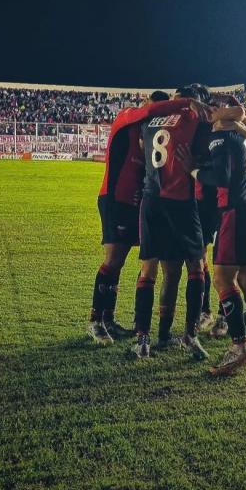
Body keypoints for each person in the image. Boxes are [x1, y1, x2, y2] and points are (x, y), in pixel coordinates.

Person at [89, 90, 194, 345]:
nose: (159, 116)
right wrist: (186, 103)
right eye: (159, 109)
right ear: (149, 104)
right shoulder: (128, 116)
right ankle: (95, 322)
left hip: (136, 203)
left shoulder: (149, 130)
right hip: (115, 199)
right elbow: (149, 112)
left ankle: (110, 318)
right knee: (113, 260)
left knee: (131, 261)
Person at [132, 85, 212, 360]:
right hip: (181, 201)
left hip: (151, 199)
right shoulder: (193, 118)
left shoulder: (150, 118)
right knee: (197, 267)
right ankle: (190, 335)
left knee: (150, 270)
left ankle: (143, 339)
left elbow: (144, 144)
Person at [189, 103, 246, 376]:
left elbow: (220, 176)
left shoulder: (220, 136)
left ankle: (239, 348)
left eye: (214, 110)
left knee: (223, 279)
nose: (209, 114)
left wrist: (194, 171)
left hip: (234, 211)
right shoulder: (243, 136)